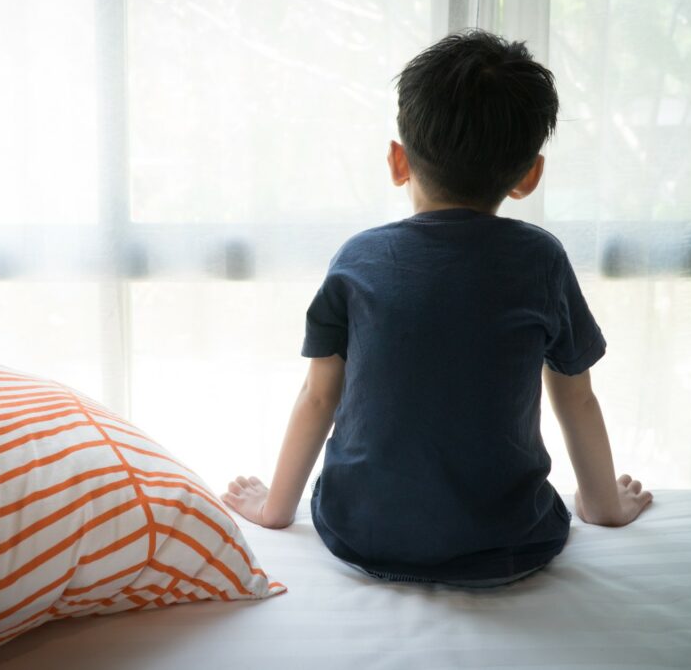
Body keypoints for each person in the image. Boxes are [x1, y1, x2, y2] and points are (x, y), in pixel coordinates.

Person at [220, 30, 654, 588]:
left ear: (398, 161)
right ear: (529, 175)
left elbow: (320, 395)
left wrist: (274, 510)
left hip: (360, 533)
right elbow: (577, 396)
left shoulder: (358, 258)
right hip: (509, 544)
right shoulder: (539, 259)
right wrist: (604, 508)